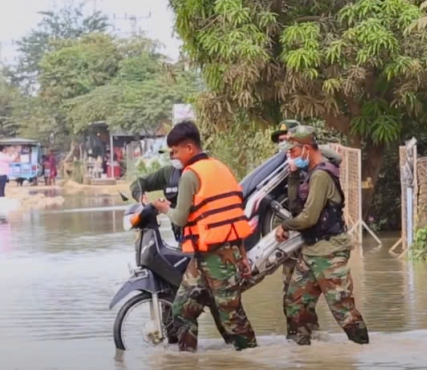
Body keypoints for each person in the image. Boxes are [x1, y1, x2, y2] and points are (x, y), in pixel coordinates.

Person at [153, 121, 257, 352]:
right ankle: (188, 365)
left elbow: (179, 218)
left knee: (231, 315)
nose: (174, 156)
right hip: (209, 255)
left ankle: (251, 362)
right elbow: (232, 214)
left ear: (189, 148)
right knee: (182, 309)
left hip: (217, 256)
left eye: (175, 151)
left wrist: (163, 208)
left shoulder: (190, 176)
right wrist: (242, 255)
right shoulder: (221, 167)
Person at [274, 126, 369, 346]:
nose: (291, 156)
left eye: (294, 152)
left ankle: (364, 353)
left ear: (306, 148)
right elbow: (297, 207)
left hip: (329, 252)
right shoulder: (309, 173)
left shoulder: (321, 175)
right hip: (311, 251)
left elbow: (308, 218)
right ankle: (305, 360)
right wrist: (294, 175)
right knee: (295, 304)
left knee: (343, 311)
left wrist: (284, 226)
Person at [270, 120, 342, 340]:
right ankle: (302, 342)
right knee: (293, 297)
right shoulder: (285, 164)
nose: (283, 146)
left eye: (287, 141)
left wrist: (309, 149)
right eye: (281, 142)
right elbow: (291, 206)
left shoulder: (314, 168)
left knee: (334, 302)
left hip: (315, 238)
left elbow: (336, 158)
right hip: (297, 236)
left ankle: (309, 337)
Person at [130, 150, 184, 243]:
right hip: (183, 237)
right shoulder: (168, 172)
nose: (172, 157)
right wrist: (141, 197)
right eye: (170, 153)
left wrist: (166, 209)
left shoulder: (199, 172)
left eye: (175, 151)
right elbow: (138, 183)